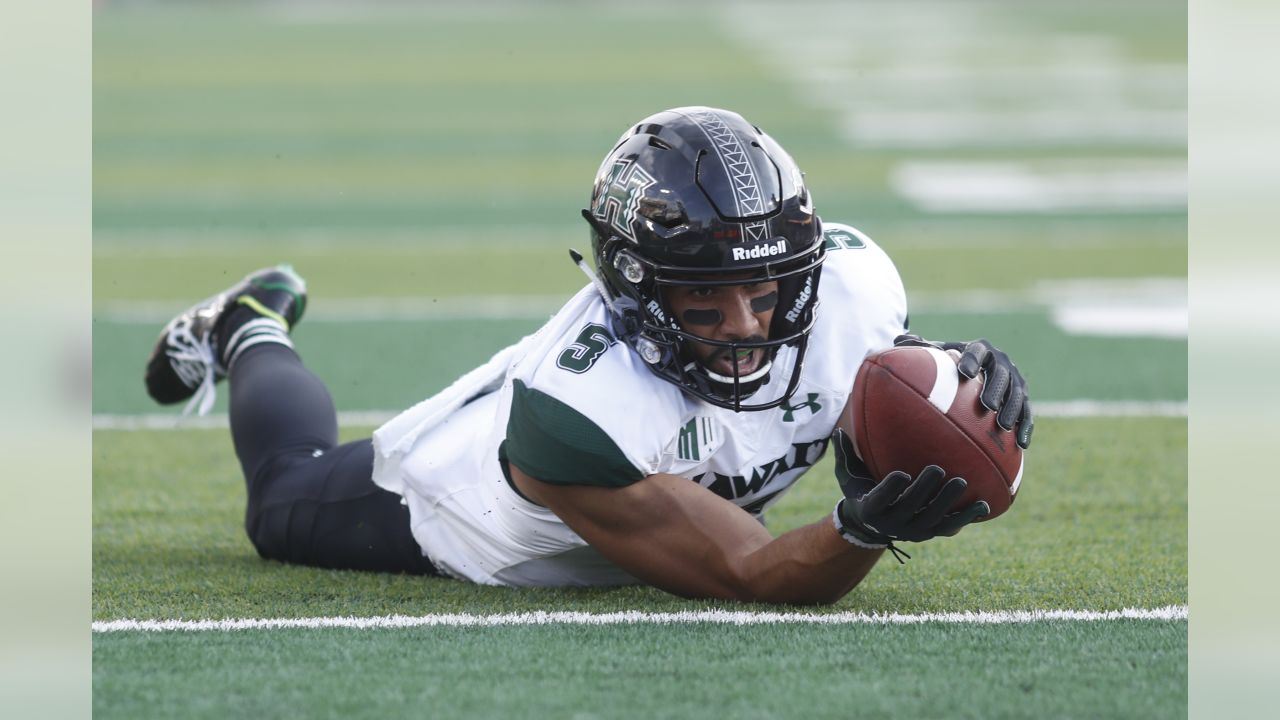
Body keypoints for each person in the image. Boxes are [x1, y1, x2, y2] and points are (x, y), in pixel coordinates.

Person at [144, 106, 1032, 605]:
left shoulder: (855, 288)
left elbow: (885, 381)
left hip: (643, 470)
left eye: (766, 293)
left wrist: (957, 380)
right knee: (280, 499)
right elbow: (749, 570)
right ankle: (250, 323)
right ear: (638, 285)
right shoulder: (577, 415)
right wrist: (861, 528)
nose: (748, 326)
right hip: (456, 508)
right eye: (704, 299)